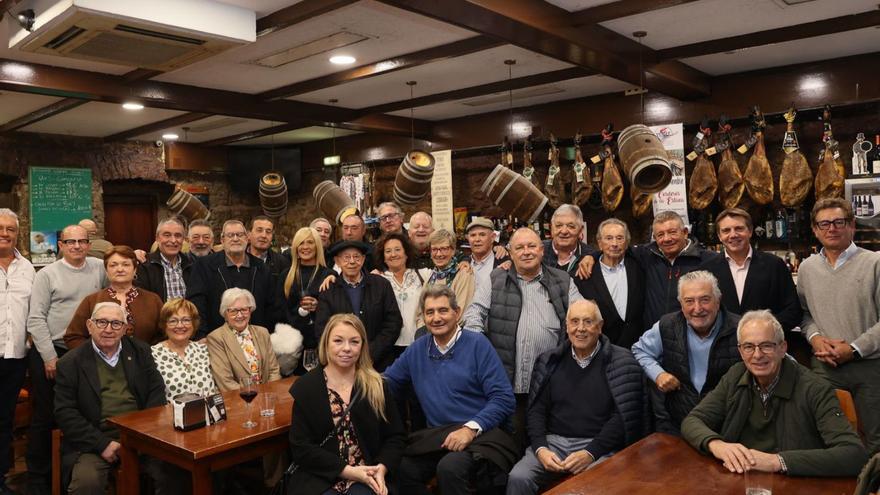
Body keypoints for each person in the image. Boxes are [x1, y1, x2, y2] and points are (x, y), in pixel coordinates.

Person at [681, 310, 867, 477]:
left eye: (766, 346)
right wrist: (717, 445)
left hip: (794, 484)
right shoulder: (735, 375)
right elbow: (693, 420)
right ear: (740, 351)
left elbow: (854, 454)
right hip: (739, 479)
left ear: (783, 348)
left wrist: (777, 461)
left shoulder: (815, 389)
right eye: (748, 347)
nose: (757, 355)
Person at [384, 285, 517, 495]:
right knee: (401, 468)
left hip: (479, 438)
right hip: (437, 439)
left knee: (450, 468)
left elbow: (503, 398)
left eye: (443, 310)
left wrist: (470, 429)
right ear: (423, 317)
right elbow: (386, 383)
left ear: (457, 313)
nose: (436, 318)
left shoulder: (478, 344)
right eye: (430, 312)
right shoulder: (417, 349)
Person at [507, 300, 646, 495]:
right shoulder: (548, 361)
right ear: (567, 326)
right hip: (553, 443)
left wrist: (591, 452)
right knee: (519, 478)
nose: (580, 328)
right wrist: (541, 449)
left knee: (584, 488)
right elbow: (536, 411)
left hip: (600, 447)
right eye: (574, 321)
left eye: (588, 322)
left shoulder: (623, 362)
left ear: (600, 326)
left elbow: (623, 419)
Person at [464, 227, 583, 445]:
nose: (526, 252)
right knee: (513, 443)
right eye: (519, 247)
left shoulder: (563, 280)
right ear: (510, 253)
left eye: (531, 246)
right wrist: (480, 348)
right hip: (507, 385)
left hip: (551, 384)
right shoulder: (496, 278)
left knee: (549, 443)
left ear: (541, 250)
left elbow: (582, 317)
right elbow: (474, 313)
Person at [54, 302, 184, 495]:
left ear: (124, 329)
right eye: (102, 322)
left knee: (177, 473)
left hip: (140, 436)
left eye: (116, 323)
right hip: (95, 440)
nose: (108, 329)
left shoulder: (140, 351)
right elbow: (65, 412)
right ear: (89, 326)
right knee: (86, 484)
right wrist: (102, 444)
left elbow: (156, 391)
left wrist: (142, 435)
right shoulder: (70, 363)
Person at [26, 224, 106, 495]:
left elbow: (116, 284)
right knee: (47, 415)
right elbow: (36, 318)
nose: (77, 246)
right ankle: (38, 479)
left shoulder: (99, 268)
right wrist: (49, 357)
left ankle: (72, 473)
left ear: (89, 244)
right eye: (70, 242)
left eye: (82, 241)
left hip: (86, 350)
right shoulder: (46, 275)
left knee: (81, 414)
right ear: (60, 245)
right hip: (54, 351)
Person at [288, 313, 406, 495]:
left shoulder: (376, 385)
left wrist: (382, 468)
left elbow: (395, 437)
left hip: (369, 473)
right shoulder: (306, 388)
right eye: (338, 341)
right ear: (326, 344)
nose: (347, 348)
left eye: (354, 342)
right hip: (321, 477)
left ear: (363, 346)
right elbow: (301, 448)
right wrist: (348, 471)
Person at [798, 197, 880, 455]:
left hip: (870, 367)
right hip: (825, 367)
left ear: (852, 225)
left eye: (838, 222)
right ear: (815, 230)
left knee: (876, 440)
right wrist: (815, 338)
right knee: (826, 438)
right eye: (824, 224)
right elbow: (805, 314)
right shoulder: (807, 268)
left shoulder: (874, 263)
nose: (831, 228)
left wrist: (854, 349)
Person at [632, 270, 741, 434]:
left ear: (718, 301)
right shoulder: (667, 325)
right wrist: (658, 374)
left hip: (727, 426)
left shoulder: (741, 329)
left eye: (705, 300)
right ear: (681, 305)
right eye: (689, 301)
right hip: (678, 424)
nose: (697, 308)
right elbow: (639, 350)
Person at [579, 210, 720, 331]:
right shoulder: (647, 254)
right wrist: (591, 256)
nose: (667, 239)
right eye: (660, 234)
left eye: (672, 232)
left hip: (693, 334)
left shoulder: (709, 260)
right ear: (654, 238)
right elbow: (615, 249)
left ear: (685, 233)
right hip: (653, 337)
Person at [703, 208, 804, 357]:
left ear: (750, 231)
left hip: (766, 352)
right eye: (726, 230)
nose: (733, 235)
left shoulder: (774, 265)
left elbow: (793, 311)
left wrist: (764, 332)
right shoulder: (707, 270)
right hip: (722, 353)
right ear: (719, 236)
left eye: (739, 228)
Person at [315, 240, 402, 371]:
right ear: (337, 261)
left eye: (356, 257)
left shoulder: (381, 285)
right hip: (341, 363)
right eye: (346, 257)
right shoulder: (328, 290)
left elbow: (393, 323)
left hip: (378, 363)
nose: (352, 261)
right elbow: (322, 329)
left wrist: (370, 353)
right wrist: (343, 353)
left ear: (363, 259)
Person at [186, 219, 280, 339]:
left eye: (239, 235)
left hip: (254, 338)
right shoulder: (204, 266)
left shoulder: (261, 268)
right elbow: (197, 304)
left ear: (247, 238)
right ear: (222, 240)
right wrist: (201, 335)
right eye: (230, 235)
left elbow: (271, 306)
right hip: (216, 339)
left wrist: (266, 336)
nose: (235, 239)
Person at [65, 246, 164, 350]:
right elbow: (73, 337)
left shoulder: (153, 300)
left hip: (146, 358)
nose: (120, 269)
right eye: (113, 265)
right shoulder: (91, 301)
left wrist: (148, 354)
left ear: (135, 270)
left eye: (126, 265)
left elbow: (165, 335)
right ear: (106, 271)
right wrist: (96, 355)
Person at [0, 210, 34, 495]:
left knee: (4, 420)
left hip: (15, 357)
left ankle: (0, 480)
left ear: (17, 234)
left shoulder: (28, 269)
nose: (5, 233)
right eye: (0, 228)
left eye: (10, 229)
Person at [573, 219, 645, 348]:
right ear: (599, 243)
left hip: (638, 346)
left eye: (620, 238)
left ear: (627, 243)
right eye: (609, 238)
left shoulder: (640, 265)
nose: (614, 243)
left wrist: (592, 255)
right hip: (601, 347)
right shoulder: (585, 274)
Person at [206, 287, 281, 391]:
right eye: (233, 311)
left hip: (267, 395)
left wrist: (267, 394)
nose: (240, 315)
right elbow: (225, 381)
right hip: (238, 397)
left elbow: (274, 370)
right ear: (225, 313)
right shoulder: (216, 338)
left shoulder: (263, 332)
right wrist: (252, 395)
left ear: (250, 310)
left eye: (244, 309)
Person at [279, 227, 333, 369]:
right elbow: (280, 310)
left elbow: (336, 310)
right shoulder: (286, 275)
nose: (305, 247)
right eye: (301, 243)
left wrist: (319, 306)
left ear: (317, 246)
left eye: (310, 242)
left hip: (320, 343)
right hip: (292, 346)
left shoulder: (328, 275)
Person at [375, 232, 432, 354]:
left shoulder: (423, 275)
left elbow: (446, 270)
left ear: (406, 253)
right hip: (389, 347)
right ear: (383, 257)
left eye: (397, 249)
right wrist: (332, 276)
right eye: (388, 251)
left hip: (420, 341)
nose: (393, 254)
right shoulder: (377, 280)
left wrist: (463, 263)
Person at [151, 298, 217, 401]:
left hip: (208, 410)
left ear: (194, 324)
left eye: (186, 320)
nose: (180, 325)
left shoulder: (205, 350)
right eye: (173, 321)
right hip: (172, 411)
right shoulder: (153, 355)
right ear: (164, 325)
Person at [135, 217, 193, 302]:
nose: (173, 240)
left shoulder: (191, 265)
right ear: (157, 238)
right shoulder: (144, 265)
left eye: (178, 235)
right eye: (167, 235)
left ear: (183, 239)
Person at [425, 229, 475, 319]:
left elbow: (461, 313)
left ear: (453, 250)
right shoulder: (431, 276)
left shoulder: (464, 274)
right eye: (434, 249)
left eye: (444, 249)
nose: (438, 254)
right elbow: (421, 312)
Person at [542, 204, 595, 274]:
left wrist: (594, 257)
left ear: (580, 230)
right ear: (551, 228)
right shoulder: (537, 250)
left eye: (571, 226)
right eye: (558, 226)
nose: (564, 231)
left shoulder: (590, 256)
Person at [465, 217, 510, 292]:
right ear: (468, 238)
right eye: (473, 235)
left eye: (482, 235)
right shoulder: (462, 263)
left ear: (492, 238)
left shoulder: (504, 263)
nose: (477, 239)